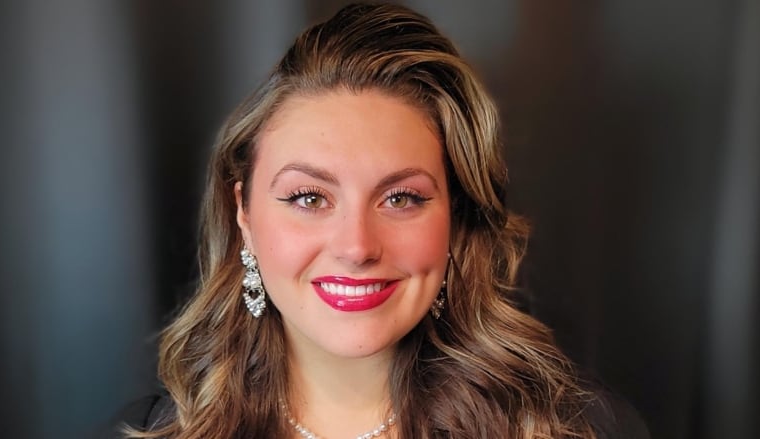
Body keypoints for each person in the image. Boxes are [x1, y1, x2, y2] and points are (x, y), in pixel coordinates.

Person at [105, 3, 649, 438]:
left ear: (456, 219)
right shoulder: (155, 432)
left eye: (401, 198)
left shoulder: (581, 428)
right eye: (309, 197)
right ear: (242, 213)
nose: (357, 246)